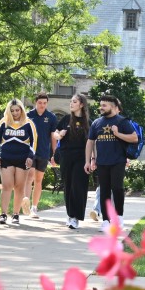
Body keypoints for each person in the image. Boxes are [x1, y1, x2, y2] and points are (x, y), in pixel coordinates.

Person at [87, 93, 136, 230]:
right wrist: (89, 160)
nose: (101, 108)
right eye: (100, 105)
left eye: (104, 105)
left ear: (113, 107)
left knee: (117, 188)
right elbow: (90, 142)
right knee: (104, 191)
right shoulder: (96, 123)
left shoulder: (122, 121)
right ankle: (106, 221)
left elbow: (134, 138)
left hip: (118, 161)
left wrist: (117, 134)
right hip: (102, 162)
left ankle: (119, 217)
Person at [0, 99, 37, 227]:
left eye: (17, 110)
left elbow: (34, 141)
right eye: (12, 111)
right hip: (6, 157)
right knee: (6, 185)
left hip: (22, 158)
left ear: (21, 110)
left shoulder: (29, 123)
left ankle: (16, 214)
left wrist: (30, 156)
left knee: (19, 186)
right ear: (8, 111)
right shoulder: (3, 122)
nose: (15, 113)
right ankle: (3, 214)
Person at [54, 93, 92, 228]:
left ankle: (76, 217)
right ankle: (70, 214)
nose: (71, 104)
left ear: (81, 104)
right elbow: (55, 133)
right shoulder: (65, 119)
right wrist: (59, 135)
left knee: (79, 186)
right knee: (68, 186)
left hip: (82, 158)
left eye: (74, 102)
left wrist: (92, 159)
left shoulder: (88, 122)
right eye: (71, 101)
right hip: (66, 156)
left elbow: (92, 142)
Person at [24, 92, 57, 219]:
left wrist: (54, 154)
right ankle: (25, 204)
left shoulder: (51, 117)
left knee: (38, 180)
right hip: (29, 152)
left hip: (44, 152)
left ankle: (34, 208)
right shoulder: (28, 116)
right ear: (35, 102)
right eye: (40, 103)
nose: (42, 105)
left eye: (44, 103)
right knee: (30, 177)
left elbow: (53, 137)